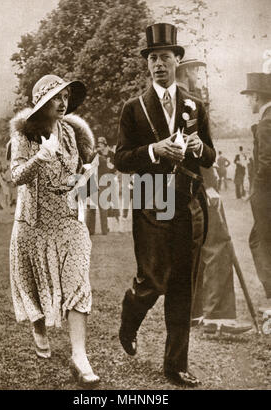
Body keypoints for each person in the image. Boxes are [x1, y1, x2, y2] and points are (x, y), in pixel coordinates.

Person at [115, 23, 216, 387]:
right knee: (153, 282)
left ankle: (175, 366)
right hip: (150, 201)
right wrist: (154, 151)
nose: (158, 64)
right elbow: (121, 159)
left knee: (182, 288)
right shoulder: (134, 108)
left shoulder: (195, 105)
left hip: (189, 204)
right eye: (152, 58)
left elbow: (210, 156)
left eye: (165, 57)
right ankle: (131, 315)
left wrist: (197, 148)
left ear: (177, 60)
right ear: (148, 65)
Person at [8, 74, 99, 386]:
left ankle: (79, 356)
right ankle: (38, 326)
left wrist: (85, 175)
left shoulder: (72, 132)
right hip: (32, 225)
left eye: (66, 97)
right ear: (43, 103)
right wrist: (39, 156)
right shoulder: (25, 136)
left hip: (67, 221)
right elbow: (17, 175)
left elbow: (72, 176)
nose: (63, 103)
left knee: (78, 282)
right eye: (57, 97)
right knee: (34, 285)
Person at [176, 58, 252, 335]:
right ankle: (218, 315)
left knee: (195, 248)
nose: (199, 74)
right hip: (197, 186)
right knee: (217, 244)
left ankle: (196, 312)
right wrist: (209, 185)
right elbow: (193, 149)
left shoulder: (173, 101)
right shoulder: (189, 102)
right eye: (195, 69)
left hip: (179, 190)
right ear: (184, 72)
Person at [241, 61, 271, 313]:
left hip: (266, 195)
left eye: (249, 96)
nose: (248, 101)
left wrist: (256, 190)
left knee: (262, 241)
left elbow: (266, 162)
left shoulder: (266, 122)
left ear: (258, 97)